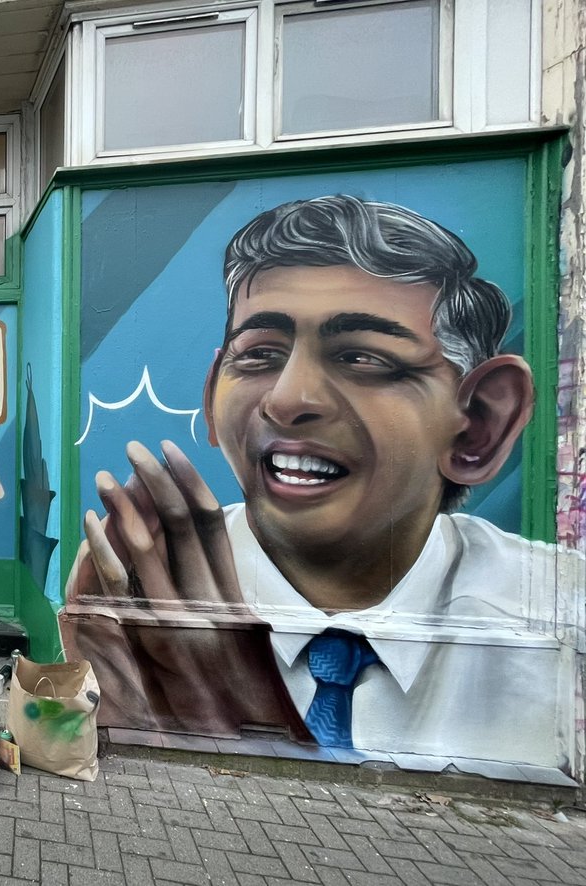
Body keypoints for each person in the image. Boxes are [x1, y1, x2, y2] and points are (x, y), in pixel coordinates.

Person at [62, 195, 585, 767]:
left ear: (479, 424)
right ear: (212, 397)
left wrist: (248, 723)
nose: (288, 399)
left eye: (363, 359)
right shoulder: (141, 584)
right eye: (260, 354)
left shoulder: (558, 617)